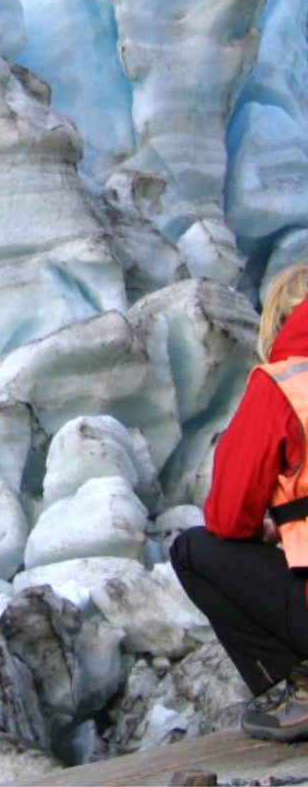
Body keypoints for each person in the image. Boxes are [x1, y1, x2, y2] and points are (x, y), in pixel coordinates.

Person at [171, 261, 308, 743]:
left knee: (194, 551)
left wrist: (271, 526)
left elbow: (228, 517)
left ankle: (301, 688)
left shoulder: (285, 383)